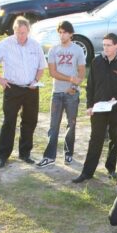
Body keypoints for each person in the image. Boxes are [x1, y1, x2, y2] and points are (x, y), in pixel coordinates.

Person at [72, 33, 117, 183]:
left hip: (116, 108)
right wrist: (89, 106)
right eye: (104, 45)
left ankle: (111, 168)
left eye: (108, 45)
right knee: (96, 139)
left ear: (116, 46)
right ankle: (87, 172)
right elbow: (90, 86)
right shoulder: (96, 62)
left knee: (114, 138)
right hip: (98, 108)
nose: (105, 48)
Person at [0, 16, 47, 167]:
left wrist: (35, 81)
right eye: (18, 32)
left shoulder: (35, 45)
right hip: (12, 88)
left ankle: (25, 153)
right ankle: (3, 156)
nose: (21, 36)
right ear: (14, 31)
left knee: (30, 120)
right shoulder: (6, 44)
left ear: (28, 31)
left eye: (24, 33)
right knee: (9, 121)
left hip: (31, 89)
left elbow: (41, 66)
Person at [37, 21, 86, 167]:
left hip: (72, 93)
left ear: (71, 34)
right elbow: (52, 73)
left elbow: (82, 71)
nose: (62, 35)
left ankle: (68, 154)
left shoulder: (77, 50)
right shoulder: (53, 50)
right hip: (57, 93)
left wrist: (74, 85)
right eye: (60, 32)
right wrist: (69, 78)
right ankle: (49, 156)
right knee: (54, 126)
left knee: (71, 125)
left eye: (64, 32)